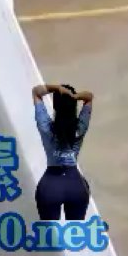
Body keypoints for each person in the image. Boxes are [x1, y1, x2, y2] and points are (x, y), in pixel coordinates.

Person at [30, 82, 93, 219]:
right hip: (75, 186)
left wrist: (56, 88)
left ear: (55, 106)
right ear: (74, 105)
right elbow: (89, 97)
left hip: (51, 185)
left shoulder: (46, 127)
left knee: (48, 231)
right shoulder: (80, 127)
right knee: (76, 231)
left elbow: (36, 92)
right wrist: (75, 96)